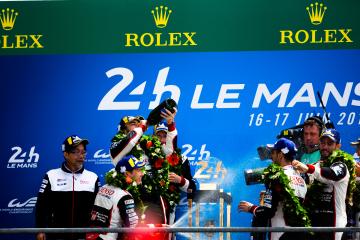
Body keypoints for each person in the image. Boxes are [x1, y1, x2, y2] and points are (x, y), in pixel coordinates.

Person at [238, 138, 308, 240]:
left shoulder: (276, 176)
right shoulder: (301, 178)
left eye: (273, 153)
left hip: (280, 235)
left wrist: (251, 208)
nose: (271, 156)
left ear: (280, 155)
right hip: (299, 234)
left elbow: (268, 211)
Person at [293, 129, 356, 240]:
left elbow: (332, 174)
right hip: (314, 225)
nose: (325, 147)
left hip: (336, 226)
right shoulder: (314, 166)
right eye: (323, 143)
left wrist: (309, 169)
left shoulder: (342, 166)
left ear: (338, 146)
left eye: (330, 143)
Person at [35, 135, 100, 240]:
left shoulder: (93, 177)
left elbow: (98, 209)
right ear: (65, 154)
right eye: (76, 152)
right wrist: (40, 230)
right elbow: (41, 206)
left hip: (85, 235)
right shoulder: (51, 175)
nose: (81, 155)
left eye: (83, 152)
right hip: (57, 235)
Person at [153, 108, 196, 227]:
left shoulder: (181, 159)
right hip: (147, 208)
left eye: (165, 136)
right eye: (158, 136)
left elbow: (192, 188)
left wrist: (180, 180)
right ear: (153, 137)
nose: (162, 140)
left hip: (168, 211)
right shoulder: (147, 156)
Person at [86, 155, 145, 240]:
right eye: (138, 170)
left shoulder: (104, 187)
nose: (142, 174)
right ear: (127, 173)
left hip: (93, 237)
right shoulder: (125, 196)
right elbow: (133, 226)